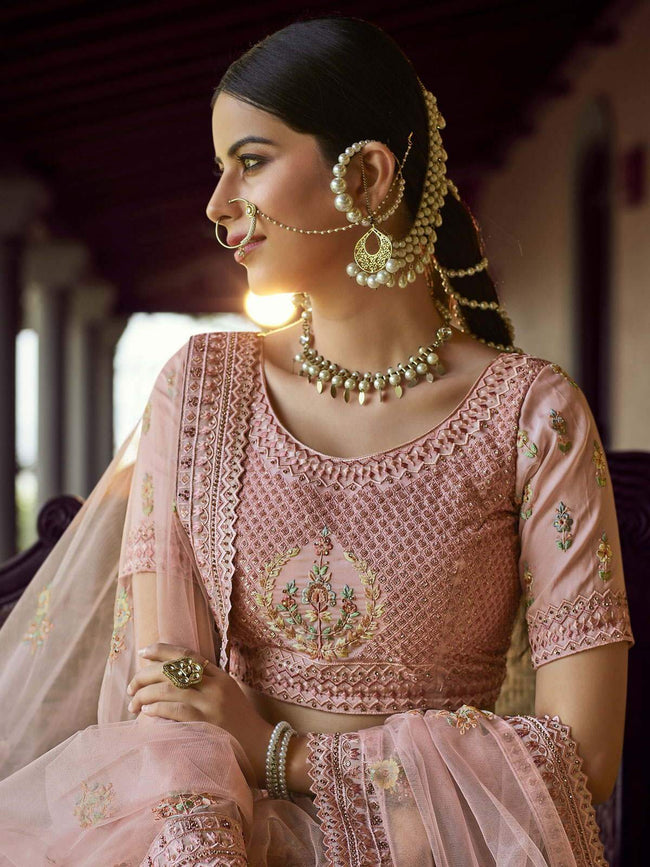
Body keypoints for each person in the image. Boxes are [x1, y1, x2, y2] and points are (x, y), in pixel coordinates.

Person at [0, 16, 634, 866]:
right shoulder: (199, 392)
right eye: (220, 167)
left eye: (251, 161)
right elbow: (171, 710)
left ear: (367, 174)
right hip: (217, 838)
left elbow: (584, 755)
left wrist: (285, 755)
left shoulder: (531, 416)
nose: (219, 204)